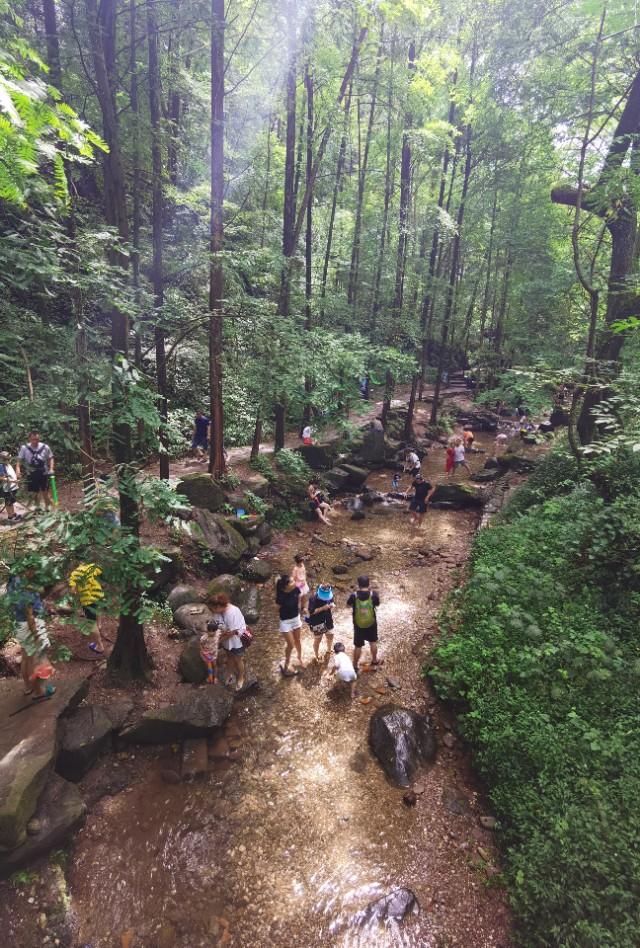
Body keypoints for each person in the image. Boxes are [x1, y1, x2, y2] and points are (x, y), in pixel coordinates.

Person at [7, 569, 55, 699]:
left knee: (27, 656)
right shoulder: (22, 586)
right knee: (37, 657)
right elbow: (29, 614)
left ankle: (29, 686)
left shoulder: (13, 581)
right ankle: (39, 691)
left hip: (20, 623)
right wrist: (36, 634)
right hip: (29, 624)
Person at [209, 592, 247, 691]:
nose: (212, 610)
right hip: (226, 639)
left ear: (219, 606)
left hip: (236, 640)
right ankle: (229, 674)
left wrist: (217, 642)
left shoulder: (233, 612)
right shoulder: (218, 612)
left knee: (238, 659)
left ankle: (241, 677)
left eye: (213, 608)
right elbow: (217, 626)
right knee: (229, 657)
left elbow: (232, 632)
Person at [68, 562, 106, 655]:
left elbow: (72, 591)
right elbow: (101, 571)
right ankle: (99, 626)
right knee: (98, 610)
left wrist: (76, 591)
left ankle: (100, 647)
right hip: (98, 595)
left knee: (91, 623)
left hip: (88, 600)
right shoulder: (92, 566)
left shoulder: (75, 574)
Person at [347, 575, 381, 672]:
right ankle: (374, 660)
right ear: (368, 583)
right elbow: (377, 604)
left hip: (358, 625)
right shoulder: (373, 594)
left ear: (359, 584)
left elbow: (347, 605)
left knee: (358, 646)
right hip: (371, 623)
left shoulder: (354, 595)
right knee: (373, 642)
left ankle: (354, 665)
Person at [16, 431, 54, 511]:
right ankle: (37, 506)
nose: (35, 441)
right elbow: (19, 460)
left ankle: (48, 506)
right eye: (33, 439)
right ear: (29, 439)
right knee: (34, 492)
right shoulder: (24, 448)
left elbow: (51, 458)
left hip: (43, 472)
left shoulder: (45, 447)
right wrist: (18, 470)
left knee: (45, 491)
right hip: (31, 473)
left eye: (37, 439)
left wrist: (51, 469)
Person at [275, 573, 304, 676]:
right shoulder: (280, 596)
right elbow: (277, 609)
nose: (294, 582)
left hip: (296, 619)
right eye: (291, 581)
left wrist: (300, 608)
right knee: (291, 644)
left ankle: (300, 658)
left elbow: (300, 597)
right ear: (285, 586)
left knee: (298, 641)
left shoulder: (296, 589)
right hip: (285, 622)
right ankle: (286, 663)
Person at [307, 583, 335, 661]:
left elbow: (332, 602)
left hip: (328, 619)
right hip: (317, 622)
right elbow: (311, 612)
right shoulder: (313, 598)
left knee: (330, 635)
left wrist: (332, 605)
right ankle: (316, 655)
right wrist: (323, 608)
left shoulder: (330, 595)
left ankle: (329, 650)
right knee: (318, 639)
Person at [0, 451, 20, 522]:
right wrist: (13, 481)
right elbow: (1, 477)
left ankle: (13, 513)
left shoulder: (8, 464)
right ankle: (10, 516)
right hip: (7, 488)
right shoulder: (1, 466)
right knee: (8, 503)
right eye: (9, 458)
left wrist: (16, 478)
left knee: (11, 501)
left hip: (13, 487)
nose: (10, 459)